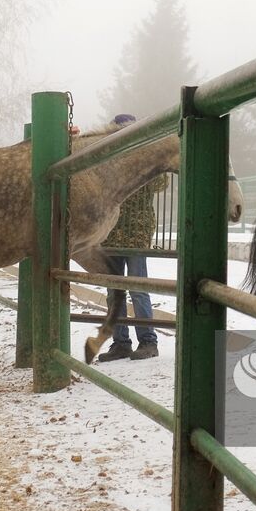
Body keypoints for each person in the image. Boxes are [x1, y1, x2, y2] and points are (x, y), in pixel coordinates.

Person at [96, 113, 165, 361]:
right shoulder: (107, 159)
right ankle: (121, 342)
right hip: (109, 233)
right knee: (114, 291)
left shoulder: (145, 158)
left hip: (136, 234)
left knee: (138, 289)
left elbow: (161, 183)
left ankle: (148, 341)